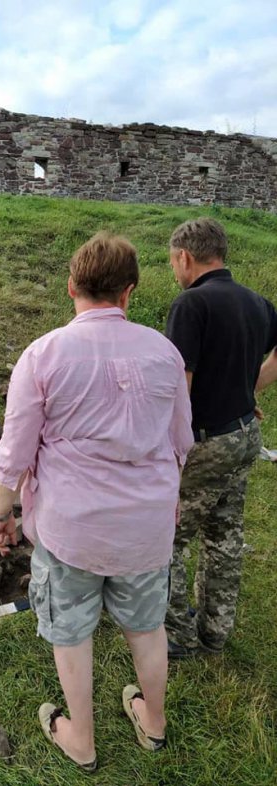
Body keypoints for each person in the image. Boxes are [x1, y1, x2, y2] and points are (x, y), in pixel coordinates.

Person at [0, 232, 193, 770]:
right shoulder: (164, 353)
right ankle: (153, 722)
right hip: (146, 526)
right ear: (128, 292)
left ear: (70, 287)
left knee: (72, 631)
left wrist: (2, 514)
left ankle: (81, 739)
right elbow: (180, 442)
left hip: (71, 529)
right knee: (147, 627)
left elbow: (15, 453)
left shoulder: (43, 355)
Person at [164, 217, 277, 657]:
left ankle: (176, 636)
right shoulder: (256, 302)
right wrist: (248, 389)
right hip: (244, 435)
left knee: (168, 538)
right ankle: (214, 631)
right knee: (224, 535)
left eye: (173, 262)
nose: (174, 271)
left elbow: (181, 386)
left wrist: (167, 447)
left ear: (184, 257)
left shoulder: (191, 305)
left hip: (206, 443)